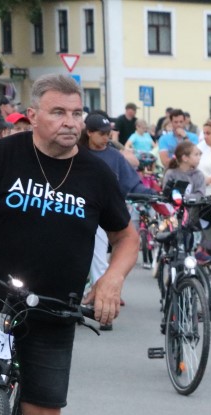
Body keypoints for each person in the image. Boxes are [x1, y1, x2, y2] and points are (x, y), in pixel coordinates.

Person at [0, 74, 138, 415]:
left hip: (53, 309)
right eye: (58, 112)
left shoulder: (95, 174)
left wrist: (111, 279)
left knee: (44, 414)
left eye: (76, 113)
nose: (71, 122)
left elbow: (126, 237)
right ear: (33, 116)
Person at [81, 112, 154, 319]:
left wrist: (151, 194)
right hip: (76, 213)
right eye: (102, 134)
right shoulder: (77, 153)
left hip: (103, 216)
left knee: (99, 257)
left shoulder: (114, 156)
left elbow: (132, 183)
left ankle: (103, 302)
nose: (107, 137)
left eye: (109, 133)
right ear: (89, 133)